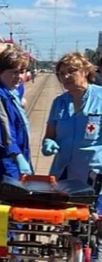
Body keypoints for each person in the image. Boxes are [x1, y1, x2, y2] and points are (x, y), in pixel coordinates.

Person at [41, 52, 102, 206]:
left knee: (92, 222)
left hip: (93, 175)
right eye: (61, 73)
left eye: (71, 71)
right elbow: (50, 135)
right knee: (64, 220)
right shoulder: (59, 102)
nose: (65, 76)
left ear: (86, 71)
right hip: (63, 173)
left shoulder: (100, 98)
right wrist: (48, 143)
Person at [0, 47, 33, 189]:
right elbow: (5, 134)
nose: (19, 77)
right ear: (0, 72)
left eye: (22, 72)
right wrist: (17, 157)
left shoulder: (10, 92)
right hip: (6, 163)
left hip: (11, 160)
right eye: (14, 72)